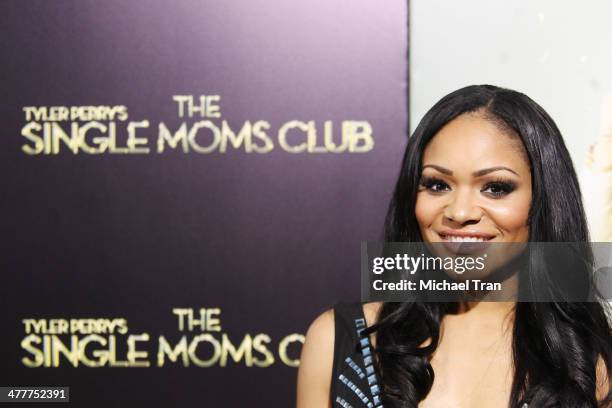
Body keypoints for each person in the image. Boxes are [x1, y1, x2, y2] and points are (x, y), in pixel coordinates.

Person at [296, 85, 612, 408]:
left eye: (495, 188)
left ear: (542, 200)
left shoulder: (593, 365)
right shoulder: (340, 343)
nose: (460, 213)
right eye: (437, 185)